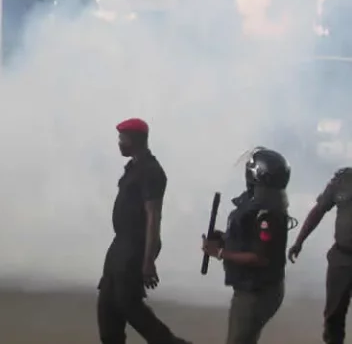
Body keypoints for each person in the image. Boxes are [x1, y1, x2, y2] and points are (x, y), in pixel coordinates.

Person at [97, 118, 191, 344]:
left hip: (134, 246)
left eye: (123, 139)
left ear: (136, 140)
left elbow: (153, 215)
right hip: (119, 245)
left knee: (129, 304)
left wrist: (148, 260)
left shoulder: (151, 171)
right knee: (108, 304)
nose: (119, 143)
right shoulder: (135, 167)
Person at [202, 147, 291, 344]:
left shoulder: (266, 213)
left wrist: (220, 252)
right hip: (256, 289)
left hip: (256, 293)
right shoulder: (264, 203)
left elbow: (258, 258)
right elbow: (249, 241)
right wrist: (225, 238)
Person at [288, 167, 352, 344]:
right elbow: (318, 211)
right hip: (342, 257)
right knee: (334, 315)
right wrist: (299, 241)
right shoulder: (343, 180)